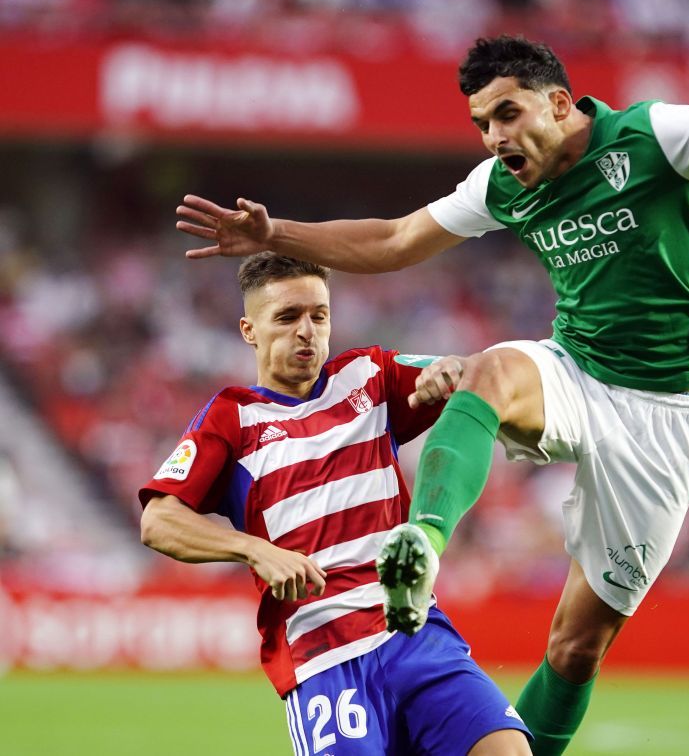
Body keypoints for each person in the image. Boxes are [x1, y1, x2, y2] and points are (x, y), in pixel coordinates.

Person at [175, 0, 689, 754]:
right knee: (489, 371)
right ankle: (421, 544)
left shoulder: (656, 134)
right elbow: (394, 240)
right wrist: (275, 232)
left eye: (507, 114)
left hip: (667, 415)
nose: (494, 137)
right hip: (577, 370)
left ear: (559, 103)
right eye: (482, 123)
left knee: (576, 648)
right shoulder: (501, 183)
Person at [139, 253, 531, 755]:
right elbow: (158, 520)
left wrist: (449, 370)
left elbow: (465, 373)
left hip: (413, 631)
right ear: (249, 330)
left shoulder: (370, 376)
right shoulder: (231, 418)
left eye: (318, 315)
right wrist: (255, 550)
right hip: (325, 656)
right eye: (287, 317)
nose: (306, 331)